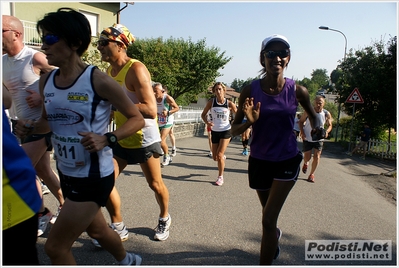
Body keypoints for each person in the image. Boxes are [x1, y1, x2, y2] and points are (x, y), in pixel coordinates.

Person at [15, 8, 144, 265]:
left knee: (55, 248)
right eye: (43, 39)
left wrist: (108, 139)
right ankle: (128, 260)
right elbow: (46, 124)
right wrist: (29, 129)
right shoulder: (46, 81)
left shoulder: (98, 80)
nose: (44, 46)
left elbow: (137, 118)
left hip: (95, 176)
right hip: (67, 172)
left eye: (51, 39)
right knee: (97, 230)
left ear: (74, 43)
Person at [231, 34, 323, 265]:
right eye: (271, 53)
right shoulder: (249, 90)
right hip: (259, 160)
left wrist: (319, 129)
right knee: (268, 217)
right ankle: (274, 238)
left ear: (288, 58)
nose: (277, 57)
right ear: (263, 59)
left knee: (268, 219)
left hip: (287, 159)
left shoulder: (297, 91)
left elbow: (314, 117)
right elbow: (233, 130)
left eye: (283, 53)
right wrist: (249, 122)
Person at [95, 23, 172, 243]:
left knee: (155, 185)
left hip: (144, 138)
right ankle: (117, 226)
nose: (99, 47)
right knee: (105, 180)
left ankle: (165, 217)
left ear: (120, 45)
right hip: (121, 137)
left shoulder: (136, 69)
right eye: (98, 43)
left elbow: (149, 109)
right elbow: (113, 106)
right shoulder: (110, 71)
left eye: (103, 43)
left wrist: (117, 103)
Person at [2, 14, 64, 236]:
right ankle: (64, 204)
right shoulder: (2, 61)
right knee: (43, 171)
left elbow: (62, 77)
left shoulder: (34, 57)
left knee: (22, 168)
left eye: (1, 31)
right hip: (19, 125)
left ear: (16, 34)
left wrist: (41, 95)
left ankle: (39, 213)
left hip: (41, 124)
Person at [3, 105, 42, 265]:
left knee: (57, 247)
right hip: (21, 188)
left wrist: (109, 138)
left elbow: (6, 99)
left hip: (13, 199)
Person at [201, 82, 237, 186]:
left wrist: (234, 123)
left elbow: (237, 114)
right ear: (214, 91)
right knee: (215, 157)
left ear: (224, 91)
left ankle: (220, 177)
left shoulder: (229, 103)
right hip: (215, 131)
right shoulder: (211, 102)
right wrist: (207, 122)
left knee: (220, 155)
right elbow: (203, 115)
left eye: (220, 89)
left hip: (226, 130)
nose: (218, 91)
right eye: (216, 89)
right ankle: (222, 158)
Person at [299, 95, 333, 183]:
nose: (318, 105)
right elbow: (301, 121)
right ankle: (306, 163)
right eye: (317, 103)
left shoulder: (326, 113)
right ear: (314, 102)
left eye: (320, 103)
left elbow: (330, 125)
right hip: (308, 137)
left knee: (317, 156)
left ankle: (311, 174)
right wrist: (302, 132)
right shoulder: (308, 111)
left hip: (319, 138)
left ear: (324, 104)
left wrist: (327, 132)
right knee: (307, 157)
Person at [153, 82, 180, 167]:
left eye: (156, 91)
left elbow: (177, 108)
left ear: (162, 91)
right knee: (160, 141)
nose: (154, 93)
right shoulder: (152, 98)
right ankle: (167, 155)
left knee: (161, 140)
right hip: (159, 121)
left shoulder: (167, 98)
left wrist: (168, 112)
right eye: (152, 91)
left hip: (168, 121)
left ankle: (166, 156)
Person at [162, 85, 177, 157]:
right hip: (161, 120)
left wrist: (168, 112)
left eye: (164, 91)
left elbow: (175, 108)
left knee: (171, 133)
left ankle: (173, 148)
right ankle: (163, 149)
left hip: (169, 119)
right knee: (162, 136)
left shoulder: (168, 98)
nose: (163, 93)